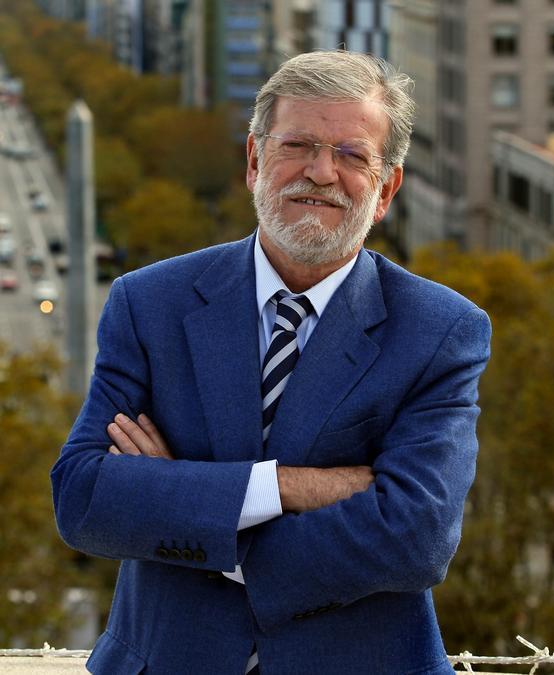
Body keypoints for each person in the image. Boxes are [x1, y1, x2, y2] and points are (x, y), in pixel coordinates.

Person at [51, 51, 490, 674]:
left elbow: (417, 537)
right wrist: (293, 486)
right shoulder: (149, 303)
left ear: (386, 189)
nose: (320, 172)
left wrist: (185, 501)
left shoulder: (441, 332)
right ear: (255, 163)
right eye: (298, 145)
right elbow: (84, 499)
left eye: (351, 154)